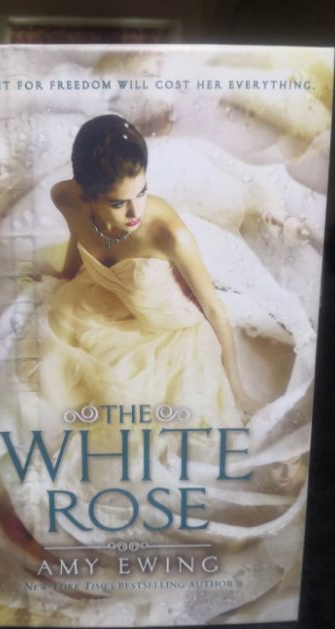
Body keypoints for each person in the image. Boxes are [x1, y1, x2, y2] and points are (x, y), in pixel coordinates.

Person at [46, 114, 257, 418]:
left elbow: (214, 309)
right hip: (105, 311)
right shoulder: (65, 197)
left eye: (142, 192)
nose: (135, 212)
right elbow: (78, 231)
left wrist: (238, 390)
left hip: (170, 332)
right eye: (118, 203)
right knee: (57, 387)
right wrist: (65, 274)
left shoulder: (169, 235)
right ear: (86, 197)